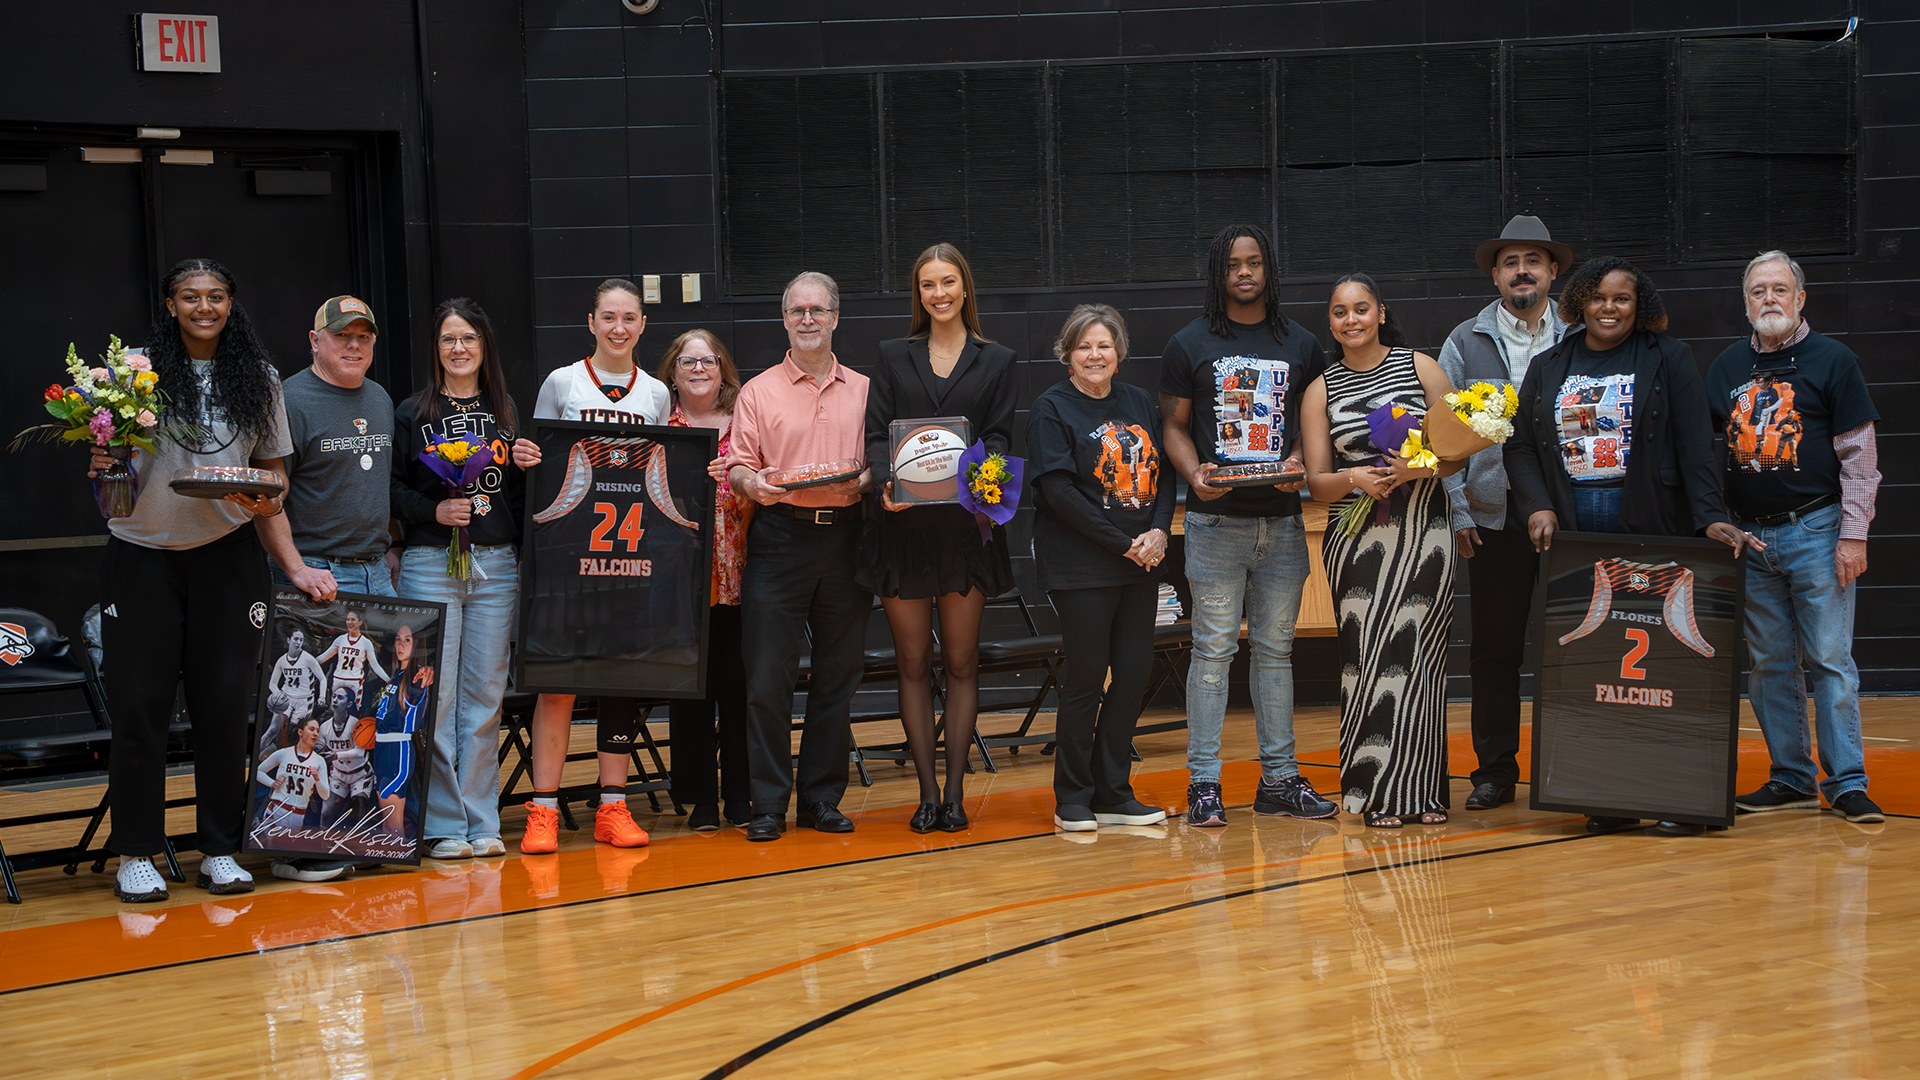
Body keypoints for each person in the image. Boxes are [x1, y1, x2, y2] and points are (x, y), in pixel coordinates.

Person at [1504, 256, 1756, 835]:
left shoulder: (1669, 359)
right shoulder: (1548, 365)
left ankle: (1679, 797)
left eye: (1622, 298)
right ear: (1579, 303)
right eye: (1598, 297)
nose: (1610, 307)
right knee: (1596, 662)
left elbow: (1696, 444)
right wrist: (1537, 506)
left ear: (1639, 305)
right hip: (1574, 526)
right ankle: (1608, 791)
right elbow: (1519, 447)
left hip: (1651, 517)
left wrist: (1710, 519)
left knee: (1661, 669)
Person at [90, 258, 291, 902]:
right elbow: (111, 497)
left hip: (227, 557)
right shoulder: (133, 375)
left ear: (231, 303)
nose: (203, 307)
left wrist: (263, 499)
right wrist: (103, 465)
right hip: (141, 556)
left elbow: (273, 478)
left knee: (225, 713)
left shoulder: (258, 378)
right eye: (190, 297)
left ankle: (220, 850)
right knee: (140, 712)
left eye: (215, 296)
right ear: (170, 304)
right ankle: (138, 853)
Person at [1157, 224, 1333, 828]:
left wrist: (1300, 467)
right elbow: (1174, 427)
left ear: (1269, 270)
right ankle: (1204, 785)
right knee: (1212, 653)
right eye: (1233, 264)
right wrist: (1192, 474)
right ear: (1219, 272)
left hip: (1282, 524)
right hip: (1214, 524)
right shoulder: (1188, 342)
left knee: (1276, 654)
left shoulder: (1304, 344)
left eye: (1255, 262)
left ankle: (1279, 781)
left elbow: (1319, 431)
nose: (1245, 273)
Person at [1705, 251, 1883, 824]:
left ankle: (1848, 783)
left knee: (1830, 660)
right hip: (1751, 541)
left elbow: (1860, 457)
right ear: (1746, 301)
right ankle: (1791, 777)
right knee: (1768, 666)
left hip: (1817, 530)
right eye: (1757, 291)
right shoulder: (1728, 365)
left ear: (1801, 298)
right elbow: (1703, 450)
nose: (1769, 300)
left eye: (1780, 289)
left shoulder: (1833, 360)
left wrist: (1853, 537)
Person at [861, 243, 1017, 833]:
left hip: (964, 531)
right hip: (902, 528)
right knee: (911, 660)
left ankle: (955, 794)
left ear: (964, 287)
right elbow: (877, 435)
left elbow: (1000, 437)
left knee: (959, 662)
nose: (939, 294)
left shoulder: (997, 358)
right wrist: (884, 479)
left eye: (948, 282)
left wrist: (980, 476)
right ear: (918, 294)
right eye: (928, 285)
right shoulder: (891, 355)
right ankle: (924, 795)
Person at [1301, 274, 1465, 828]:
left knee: (1420, 657)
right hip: (1357, 540)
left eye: (1361, 309)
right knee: (1366, 660)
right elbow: (1316, 483)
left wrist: (1423, 465)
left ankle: (1423, 793)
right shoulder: (1320, 388)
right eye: (1341, 312)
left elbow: (1458, 452)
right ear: (1330, 322)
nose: (1352, 320)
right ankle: (1373, 793)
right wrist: (1353, 476)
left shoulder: (1421, 366)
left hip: (1425, 530)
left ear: (1380, 312)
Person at [520, 278, 672, 855]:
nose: (618, 328)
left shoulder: (655, 393)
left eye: (629, 318)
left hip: (630, 555)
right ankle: (544, 810)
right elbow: (538, 459)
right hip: (569, 553)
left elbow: (663, 470)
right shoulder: (561, 382)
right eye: (608, 317)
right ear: (591, 322)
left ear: (641, 325)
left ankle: (613, 805)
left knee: (620, 681)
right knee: (557, 683)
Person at [1436, 216, 1576, 812]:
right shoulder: (1465, 341)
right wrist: (1461, 509)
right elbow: (1446, 432)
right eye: (1510, 262)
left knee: (1576, 642)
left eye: (1533, 261)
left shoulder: (1579, 334)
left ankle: (1574, 768)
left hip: (1573, 511)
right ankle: (1494, 770)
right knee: (1495, 647)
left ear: (1552, 272)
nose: (1522, 271)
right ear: (1495, 274)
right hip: (1495, 514)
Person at [392, 298, 541, 859]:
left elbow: (519, 497)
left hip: (497, 565)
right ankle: (442, 825)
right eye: (449, 339)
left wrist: (531, 463)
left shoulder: (506, 412)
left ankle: (482, 821)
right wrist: (434, 513)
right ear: (437, 348)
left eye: (469, 339)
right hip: (432, 563)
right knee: (435, 696)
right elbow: (394, 491)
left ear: (485, 347)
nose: (459, 349)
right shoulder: (413, 413)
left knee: (485, 699)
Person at [727, 271, 873, 842]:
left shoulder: (864, 389)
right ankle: (767, 804)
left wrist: (868, 479)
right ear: (784, 320)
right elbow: (739, 465)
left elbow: (878, 462)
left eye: (817, 310)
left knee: (839, 674)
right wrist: (750, 485)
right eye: (796, 311)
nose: (807, 319)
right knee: (767, 677)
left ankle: (820, 798)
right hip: (779, 538)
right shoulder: (757, 391)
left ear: (835, 318)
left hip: (846, 537)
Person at [1026, 304, 1174, 833]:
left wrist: (1158, 530)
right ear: (1067, 354)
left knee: (1133, 673)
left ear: (1119, 354)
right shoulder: (1051, 408)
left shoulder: (1137, 401)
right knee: (1087, 675)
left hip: (1140, 557)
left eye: (1104, 346)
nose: (1095, 354)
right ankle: (1073, 795)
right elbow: (1058, 492)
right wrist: (1123, 543)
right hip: (1082, 563)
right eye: (1084, 346)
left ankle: (1113, 792)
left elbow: (1164, 476)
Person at [657, 329, 753, 832]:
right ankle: (701, 801)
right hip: (680, 582)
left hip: (741, 574)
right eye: (688, 361)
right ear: (672, 370)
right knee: (691, 693)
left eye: (709, 360)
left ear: (723, 369)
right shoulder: (660, 423)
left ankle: (741, 794)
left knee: (738, 687)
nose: (698, 369)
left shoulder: (745, 420)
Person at [258, 295, 396, 604]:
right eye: (341, 335)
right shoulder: (288, 402)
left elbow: (380, 482)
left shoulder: (380, 399)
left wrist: (395, 545)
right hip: (316, 573)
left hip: (378, 571)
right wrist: (296, 569)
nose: (354, 345)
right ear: (315, 340)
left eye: (363, 337)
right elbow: (266, 497)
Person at [371, 622, 434, 839]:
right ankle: (389, 859)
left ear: (418, 644)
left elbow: (426, 677)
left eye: (407, 639)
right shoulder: (396, 676)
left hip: (398, 749)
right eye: (398, 638)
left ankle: (399, 857)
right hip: (381, 748)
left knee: (393, 821)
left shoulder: (416, 677)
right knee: (386, 823)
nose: (401, 644)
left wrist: (428, 670)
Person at [252, 716, 330, 836]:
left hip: (299, 815)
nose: (315, 733)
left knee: (285, 846)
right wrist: (272, 783)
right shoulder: (284, 753)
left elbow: (325, 795)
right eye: (312, 729)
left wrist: (317, 778)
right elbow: (258, 771)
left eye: (318, 731)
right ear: (300, 732)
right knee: (272, 845)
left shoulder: (319, 761)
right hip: (278, 809)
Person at [317, 609, 390, 708]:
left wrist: (389, 680)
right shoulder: (340, 639)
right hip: (338, 679)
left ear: (360, 622)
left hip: (354, 681)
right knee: (335, 710)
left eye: (352, 619)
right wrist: (306, 662)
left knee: (354, 711)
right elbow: (323, 657)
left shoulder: (366, 642)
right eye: (347, 620)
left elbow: (375, 666)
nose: (349, 622)